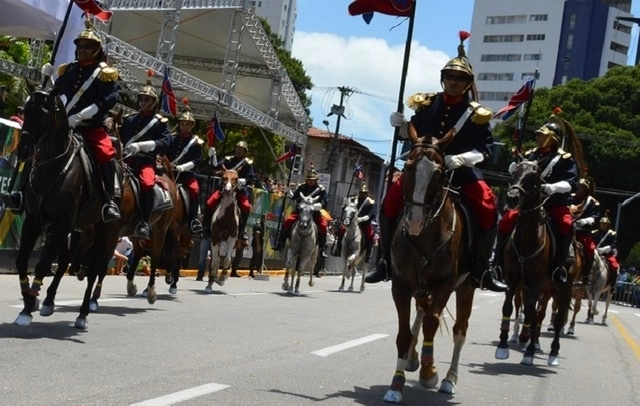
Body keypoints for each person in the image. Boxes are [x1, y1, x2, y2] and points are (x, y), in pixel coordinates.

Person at [364, 33, 507, 292]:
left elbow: (487, 151)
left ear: (467, 82)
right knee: (390, 201)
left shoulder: (475, 114)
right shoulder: (427, 104)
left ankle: (483, 269)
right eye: (450, 77)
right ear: (443, 78)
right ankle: (384, 260)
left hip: (460, 173)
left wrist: (462, 159)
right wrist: (400, 126)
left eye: (460, 78)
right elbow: (412, 135)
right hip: (423, 170)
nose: (454, 82)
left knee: (487, 206)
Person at [3, 20, 120, 221]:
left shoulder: (105, 73)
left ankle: (110, 201)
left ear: (96, 49)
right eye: (79, 46)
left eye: (87, 46)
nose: (82, 49)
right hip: (64, 125)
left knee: (106, 153)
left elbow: (108, 100)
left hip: (90, 126)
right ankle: (20, 194)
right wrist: (47, 78)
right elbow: (56, 93)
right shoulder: (71, 69)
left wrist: (82, 116)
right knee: (37, 149)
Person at [497, 113, 582, 284]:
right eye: (538, 134)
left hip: (554, 203)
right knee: (505, 221)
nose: (538, 137)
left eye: (542, 135)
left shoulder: (564, 159)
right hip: (528, 204)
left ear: (553, 138)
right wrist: (513, 168)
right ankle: (497, 265)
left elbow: (572, 184)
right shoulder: (531, 155)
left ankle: (558, 267)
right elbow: (519, 178)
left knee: (566, 224)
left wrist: (554, 187)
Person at [120, 76, 172, 239]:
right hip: (126, 159)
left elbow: (165, 142)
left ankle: (143, 221)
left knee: (147, 183)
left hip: (145, 161)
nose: (143, 102)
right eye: (141, 99)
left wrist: (143, 146)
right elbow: (121, 138)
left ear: (154, 102)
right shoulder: (129, 119)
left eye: (147, 99)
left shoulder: (160, 122)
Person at [272, 165, 328, 257]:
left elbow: (324, 202)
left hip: (314, 213)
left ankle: (321, 249)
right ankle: (280, 243)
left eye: (312, 180)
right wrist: (288, 191)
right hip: (300, 212)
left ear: (316, 180)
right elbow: (294, 197)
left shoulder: (321, 190)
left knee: (323, 226)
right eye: (309, 179)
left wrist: (315, 206)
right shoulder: (302, 187)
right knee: (287, 222)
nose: (310, 181)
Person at [206, 140, 255, 241]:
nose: (238, 151)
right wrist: (213, 155)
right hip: (224, 189)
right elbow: (215, 166)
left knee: (246, 207)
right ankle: (206, 226)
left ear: (245, 152)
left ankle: (242, 231)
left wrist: (240, 181)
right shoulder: (228, 160)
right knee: (210, 202)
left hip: (238, 190)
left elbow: (251, 178)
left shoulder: (247, 164)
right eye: (237, 149)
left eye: (241, 150)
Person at [166, 105, 204, 235]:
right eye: (182, 123)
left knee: (194, 190)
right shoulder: (171, 138)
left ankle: (193, 220)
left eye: (187, 124)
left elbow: (197, 161)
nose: (184, 126)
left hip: (186, 174)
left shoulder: (196, 142)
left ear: (191, 125)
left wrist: (184, 167)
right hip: (169, 172)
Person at [332, 183, 376, 265]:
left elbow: (372, 214)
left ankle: (368, 255)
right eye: (361, 193)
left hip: (363, 223)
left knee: (370, 235)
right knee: (341, 230)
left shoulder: (370, 202)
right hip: (351, 222)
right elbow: (346, 210)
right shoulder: (353, 199)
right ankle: (338, 249)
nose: (362, 194)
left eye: (364, 193)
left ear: (367, 193)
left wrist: (362, 219)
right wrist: (344, 205)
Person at [570, 177, 600, 285]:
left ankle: (585, 275)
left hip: (582, 231)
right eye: (578, 186)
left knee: (590, 250)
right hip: (569, 229)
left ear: (586, 189)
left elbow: (594, 217)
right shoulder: (571, 198)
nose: (578, 189)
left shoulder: (592, 202)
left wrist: (584, 221)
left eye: (581, 187)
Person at [594, 211, 620, 286]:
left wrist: (604, 249)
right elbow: (592, 242)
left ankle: (612, 286)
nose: (603, 225)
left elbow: (614, 245)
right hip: (596, 253)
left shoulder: (612, 234)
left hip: (607, 254)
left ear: (608, 225)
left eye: (605, 224)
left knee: (614, 266)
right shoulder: (595, 233)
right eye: (602, 223)